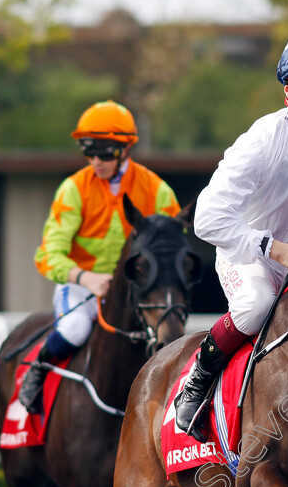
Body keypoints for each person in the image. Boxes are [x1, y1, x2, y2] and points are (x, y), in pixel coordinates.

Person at [173, 28, 288, 441]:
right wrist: (275, 249)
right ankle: (199, 380)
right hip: (253, 257)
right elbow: (207, 218)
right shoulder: (260, 141)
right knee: (256, 306)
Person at [18, 100, 180, 413]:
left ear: (125, 148)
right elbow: (48, 255)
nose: (96, 161)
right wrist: (86, 278)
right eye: (88, 152)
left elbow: (171, 249)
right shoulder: (73, 189)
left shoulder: (157, 190)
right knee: (75, 328)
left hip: (134, 291)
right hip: (82, 287)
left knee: (167, 335)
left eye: (104, 153)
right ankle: (37, 369)